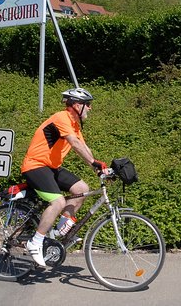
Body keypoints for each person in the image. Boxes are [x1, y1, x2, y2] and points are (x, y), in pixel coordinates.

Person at [21, 87, 107, 267]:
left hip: (51, 167)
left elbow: (83, 147)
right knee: (58, 202)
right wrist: (93, 162)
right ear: (77, 105)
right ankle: (35, 242)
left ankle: (59, 233)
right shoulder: (62, 118)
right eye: (88, 104)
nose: (90, 108)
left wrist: (100, 169)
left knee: (82, 189)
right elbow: (74, 144)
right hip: (35, 165)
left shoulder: (75, 124)